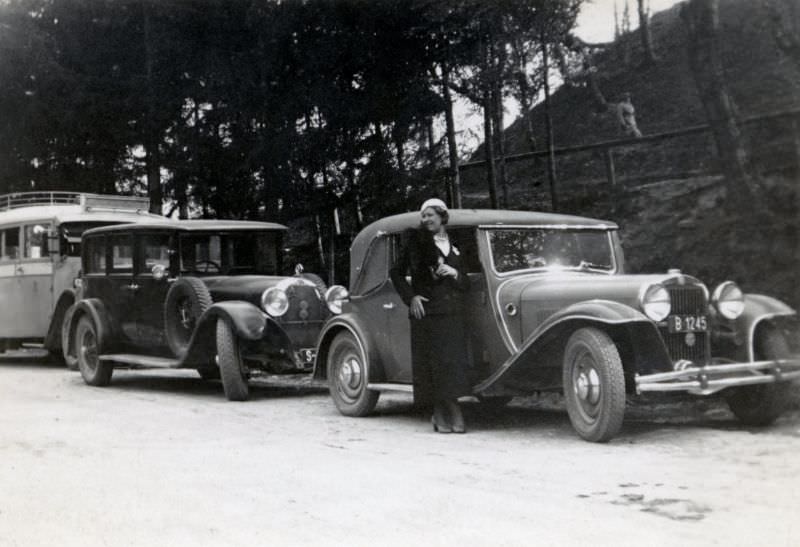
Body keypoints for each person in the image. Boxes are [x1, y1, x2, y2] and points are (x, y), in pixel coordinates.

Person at [390, 199, 471, 434]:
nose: (426, 220)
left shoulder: (456, 243)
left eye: (430, 215)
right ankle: (443, 411)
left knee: (452, 363)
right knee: (433, 365)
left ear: (442, 216)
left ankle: (449, 409)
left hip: (453, 313)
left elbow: (466, 280)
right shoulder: (416, 242)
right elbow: (395, 273)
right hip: (427, 313)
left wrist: (455, 272)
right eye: (423, 216)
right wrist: (412, 297)